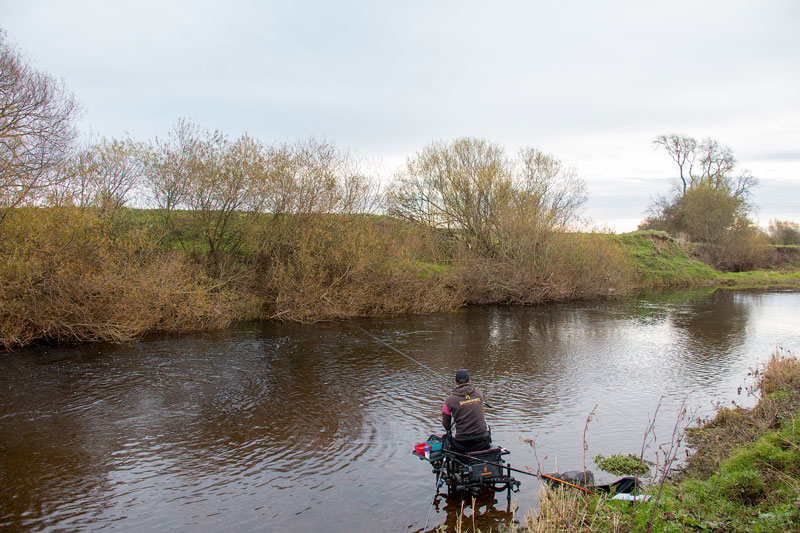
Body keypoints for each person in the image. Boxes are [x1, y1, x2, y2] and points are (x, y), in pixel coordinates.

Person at [442, 369, 491, 453]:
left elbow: (446, 426)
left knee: (446, 438)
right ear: (470, 381)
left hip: (461, 444)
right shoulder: (479, 393)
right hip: (483, 442)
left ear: (455, 382)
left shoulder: (448, 401)